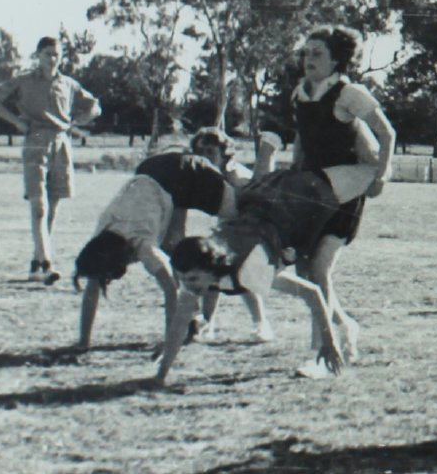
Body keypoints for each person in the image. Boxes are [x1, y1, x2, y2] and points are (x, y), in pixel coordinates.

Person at [151, 155, 379, 385]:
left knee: (371, 171)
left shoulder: (251, 269)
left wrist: (330, 344)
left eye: (192, 279)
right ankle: (347, 325)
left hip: (298, 201)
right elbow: (180, 323)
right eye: (185, 280)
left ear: (209, 267)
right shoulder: (200, 270)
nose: (189, 286)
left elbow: (313, 294)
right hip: (263, 205)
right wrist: (161, 375)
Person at [291, 25, 396, 376]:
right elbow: (302, 141)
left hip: (347, 189)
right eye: (306, 53)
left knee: (319, 269)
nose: (308, 59)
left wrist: (381, 175)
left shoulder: (349, 92)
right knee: (305, 270)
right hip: (313, 187)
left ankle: (318, 353)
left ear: (337, 59)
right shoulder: (301, 94)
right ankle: (346, 326)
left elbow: (387, 132)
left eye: (317, 53)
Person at [72, 150, 238, 349]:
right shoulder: (103, 235)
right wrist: (83, 341)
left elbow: (170, 288)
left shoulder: (142, 245)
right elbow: (93, 282)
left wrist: (170, 340)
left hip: (186, 174)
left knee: (240, 211)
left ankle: (204, 322)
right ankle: (195, 322)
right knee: (175, 249)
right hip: (151, 169)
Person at [0, 37, 100, 282]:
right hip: (35, 139)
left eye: (56, 54)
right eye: (47, 53)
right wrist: (15, 121)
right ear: (37, 55)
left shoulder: (68, 84)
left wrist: (77, 121)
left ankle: (37, 263)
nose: (52, 58)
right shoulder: (25, 80)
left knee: (52, 208)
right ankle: (47, 263)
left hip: (61, 141)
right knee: (39, 205)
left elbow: (94, 106)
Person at [186, 126, 277, 343]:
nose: (205, 157)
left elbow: (256, 201)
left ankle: (261, 324)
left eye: (210, 152)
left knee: (244, 276)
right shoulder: (211, 175)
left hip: (251, 230)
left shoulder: (237, 175)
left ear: (224, 153)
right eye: (201, 152)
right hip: (228, 229)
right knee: (210, 272)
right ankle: (207, 323)